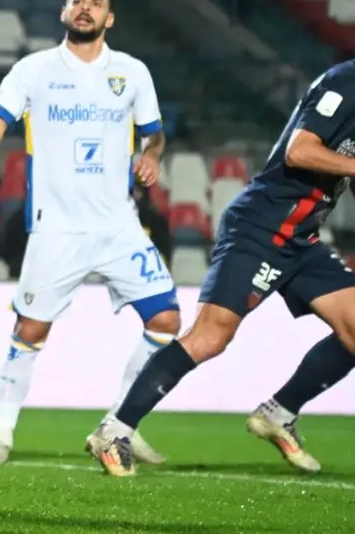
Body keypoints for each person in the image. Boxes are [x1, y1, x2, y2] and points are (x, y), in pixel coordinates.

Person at [87, 61, 355, 477]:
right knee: (210, 337)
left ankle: (278, 413)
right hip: (262, 226)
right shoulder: (345, 82)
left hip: (300, 236)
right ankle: (114, 431)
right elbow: (299, 151)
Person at [0, 0, 178, 467]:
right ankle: (1, 436)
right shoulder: (34, 70)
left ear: (110, 19)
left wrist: (153, 158)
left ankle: (121, 423)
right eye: (78, 1)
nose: (86, 9)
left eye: (96, 4)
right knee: (30, 330)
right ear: (65, 12)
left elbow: (155, 134)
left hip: (117, 225)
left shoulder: (132, 73)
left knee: (167, 319)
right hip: (56, 227)